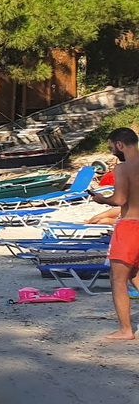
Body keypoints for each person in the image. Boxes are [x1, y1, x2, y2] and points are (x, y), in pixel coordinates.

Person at [86, 127, 139, 340]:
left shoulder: (123, 168)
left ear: (120, 144)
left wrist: (101, 199)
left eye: (111, 148)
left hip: (130, 226)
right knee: (134, 273)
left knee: (117, 279)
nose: (112, 152)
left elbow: (119, 200)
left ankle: (125, 330)